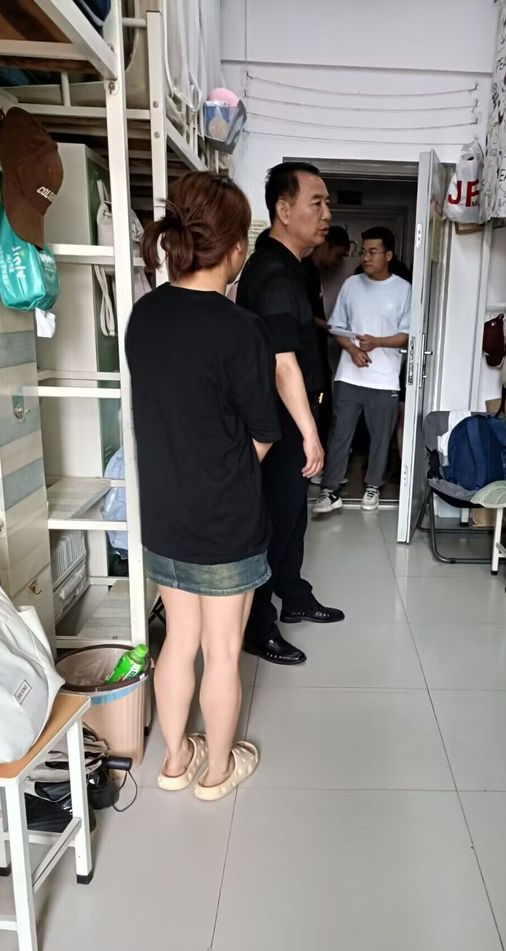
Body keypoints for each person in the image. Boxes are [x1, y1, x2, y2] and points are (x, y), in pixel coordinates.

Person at [126, 173, 281, 801]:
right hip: (225, 520)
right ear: (236, 248)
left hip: (164, 513)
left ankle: (173, 761)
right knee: (222, 650)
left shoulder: (144, 316)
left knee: (178, 641)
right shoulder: (241, 329)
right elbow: (263, 434)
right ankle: (217, 771)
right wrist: (224, 469)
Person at [236, 162, 344, 666]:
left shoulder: (293, 267)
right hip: (279, 423)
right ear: (283, 210)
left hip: (295, 415)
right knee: (274, 522)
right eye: (316, 203)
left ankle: (293, 594)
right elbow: (282, 365)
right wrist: (309, 434)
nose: (327, 214)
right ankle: (257, 626)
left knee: (293, 515)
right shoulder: (274, 274)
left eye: (328, 204)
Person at [314, 226, 411, 513]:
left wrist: (378, 342)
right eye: (363, 252)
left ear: (388, 255)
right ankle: (330, 490)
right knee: (339, 434)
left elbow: (407, 335)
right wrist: (353, 349)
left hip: (384, 378)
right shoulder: (351, 285)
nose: (365, 257)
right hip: (348, 375)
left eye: (372, 252)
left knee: (381, 437)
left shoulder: (404, 290)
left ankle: (373, 487)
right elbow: (336, 327)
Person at [303, 225, 350, 449]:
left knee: (324, 410)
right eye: (338, 255)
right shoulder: (302, 271)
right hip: (307, 359)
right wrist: (332, 328)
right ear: (326, 245)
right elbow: (303, 315)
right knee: (317, 410)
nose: (337, 262)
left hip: (318, 356)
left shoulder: (313, 272)